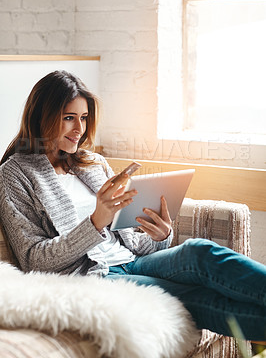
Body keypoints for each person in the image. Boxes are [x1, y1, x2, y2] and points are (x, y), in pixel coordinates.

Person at [0, 70, 265, 342]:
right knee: (195, 297)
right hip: (92, 276)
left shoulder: (91, 163)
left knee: (200, 251)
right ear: (41, 116)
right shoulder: (15, 174)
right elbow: (34, 260)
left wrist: (160, 236)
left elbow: (133, 241)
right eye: (69, 118)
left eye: (83, 117)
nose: (79, 128)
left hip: (133, 261)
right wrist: (95, 222)